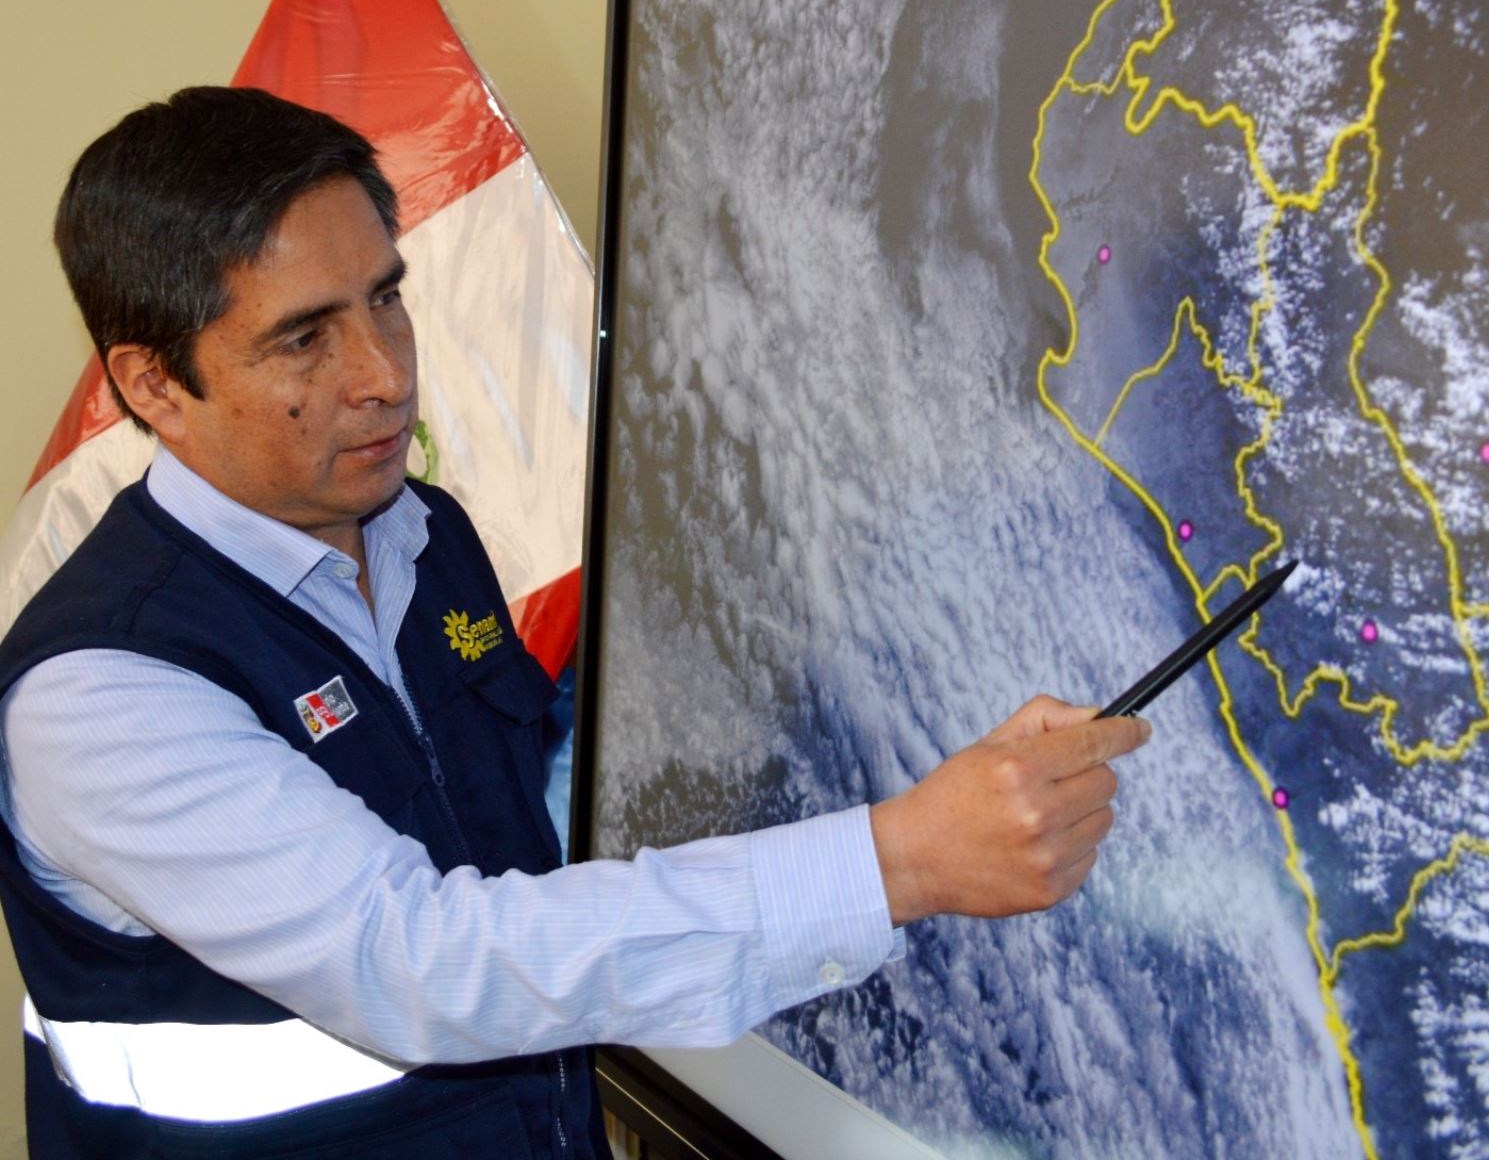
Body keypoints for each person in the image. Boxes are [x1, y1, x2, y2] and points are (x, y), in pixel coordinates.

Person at [0, 87, 1148, 1158]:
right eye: (305, 339)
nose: (385, 376)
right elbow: (423, 965)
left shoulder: (417, 533)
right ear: (152, 386)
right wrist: (900, 860)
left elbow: (511, 818)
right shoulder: (103, 694)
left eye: (387, 300)